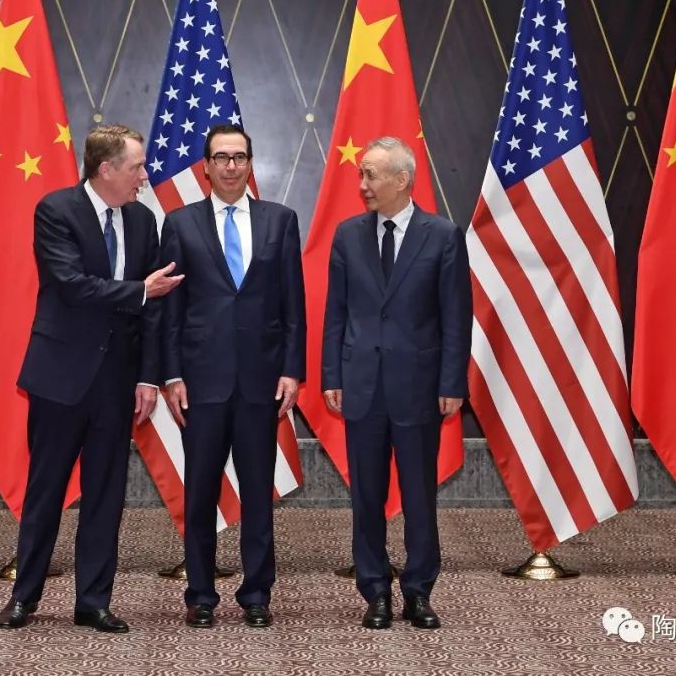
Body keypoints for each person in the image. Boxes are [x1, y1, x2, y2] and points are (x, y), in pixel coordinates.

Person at [0, 124, 183, 631]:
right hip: (60, 376)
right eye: (137, 167)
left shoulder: (144, 220)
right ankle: (25, 597)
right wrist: (140, 290)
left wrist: (148, 378)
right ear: (106, 170)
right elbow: (72, 285)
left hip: (117, 381)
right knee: (46, 491)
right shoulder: (56, 210)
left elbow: (151, 314)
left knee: (106, 495)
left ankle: (94, 601)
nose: (144, 177)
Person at [321, 136, 471, 630]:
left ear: (402, 180)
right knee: (366, 496)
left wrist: (452, 382)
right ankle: (375, 591)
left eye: (371, 175)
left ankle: (419, 591)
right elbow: (336, 312)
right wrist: (331, 374)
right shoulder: (348, 235)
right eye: (361, 174)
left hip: (419, 387)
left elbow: (456, 317)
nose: (362, 184)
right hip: (361, 385)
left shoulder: (442, 235)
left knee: (419, 496)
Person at [160, 124, 306, 629]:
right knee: (200, 493)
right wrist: (171, 375)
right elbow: (170, 312)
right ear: (205, 166)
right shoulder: (179, 223)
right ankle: (200, 594)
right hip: (200, 383)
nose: (230, 166)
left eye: (239, 157)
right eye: (221, 157)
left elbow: (293, 304)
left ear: (250, 164)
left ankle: (257, 593)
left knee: (258, 492)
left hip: (261, 382)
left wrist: (292, 369)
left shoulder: (280, 221)